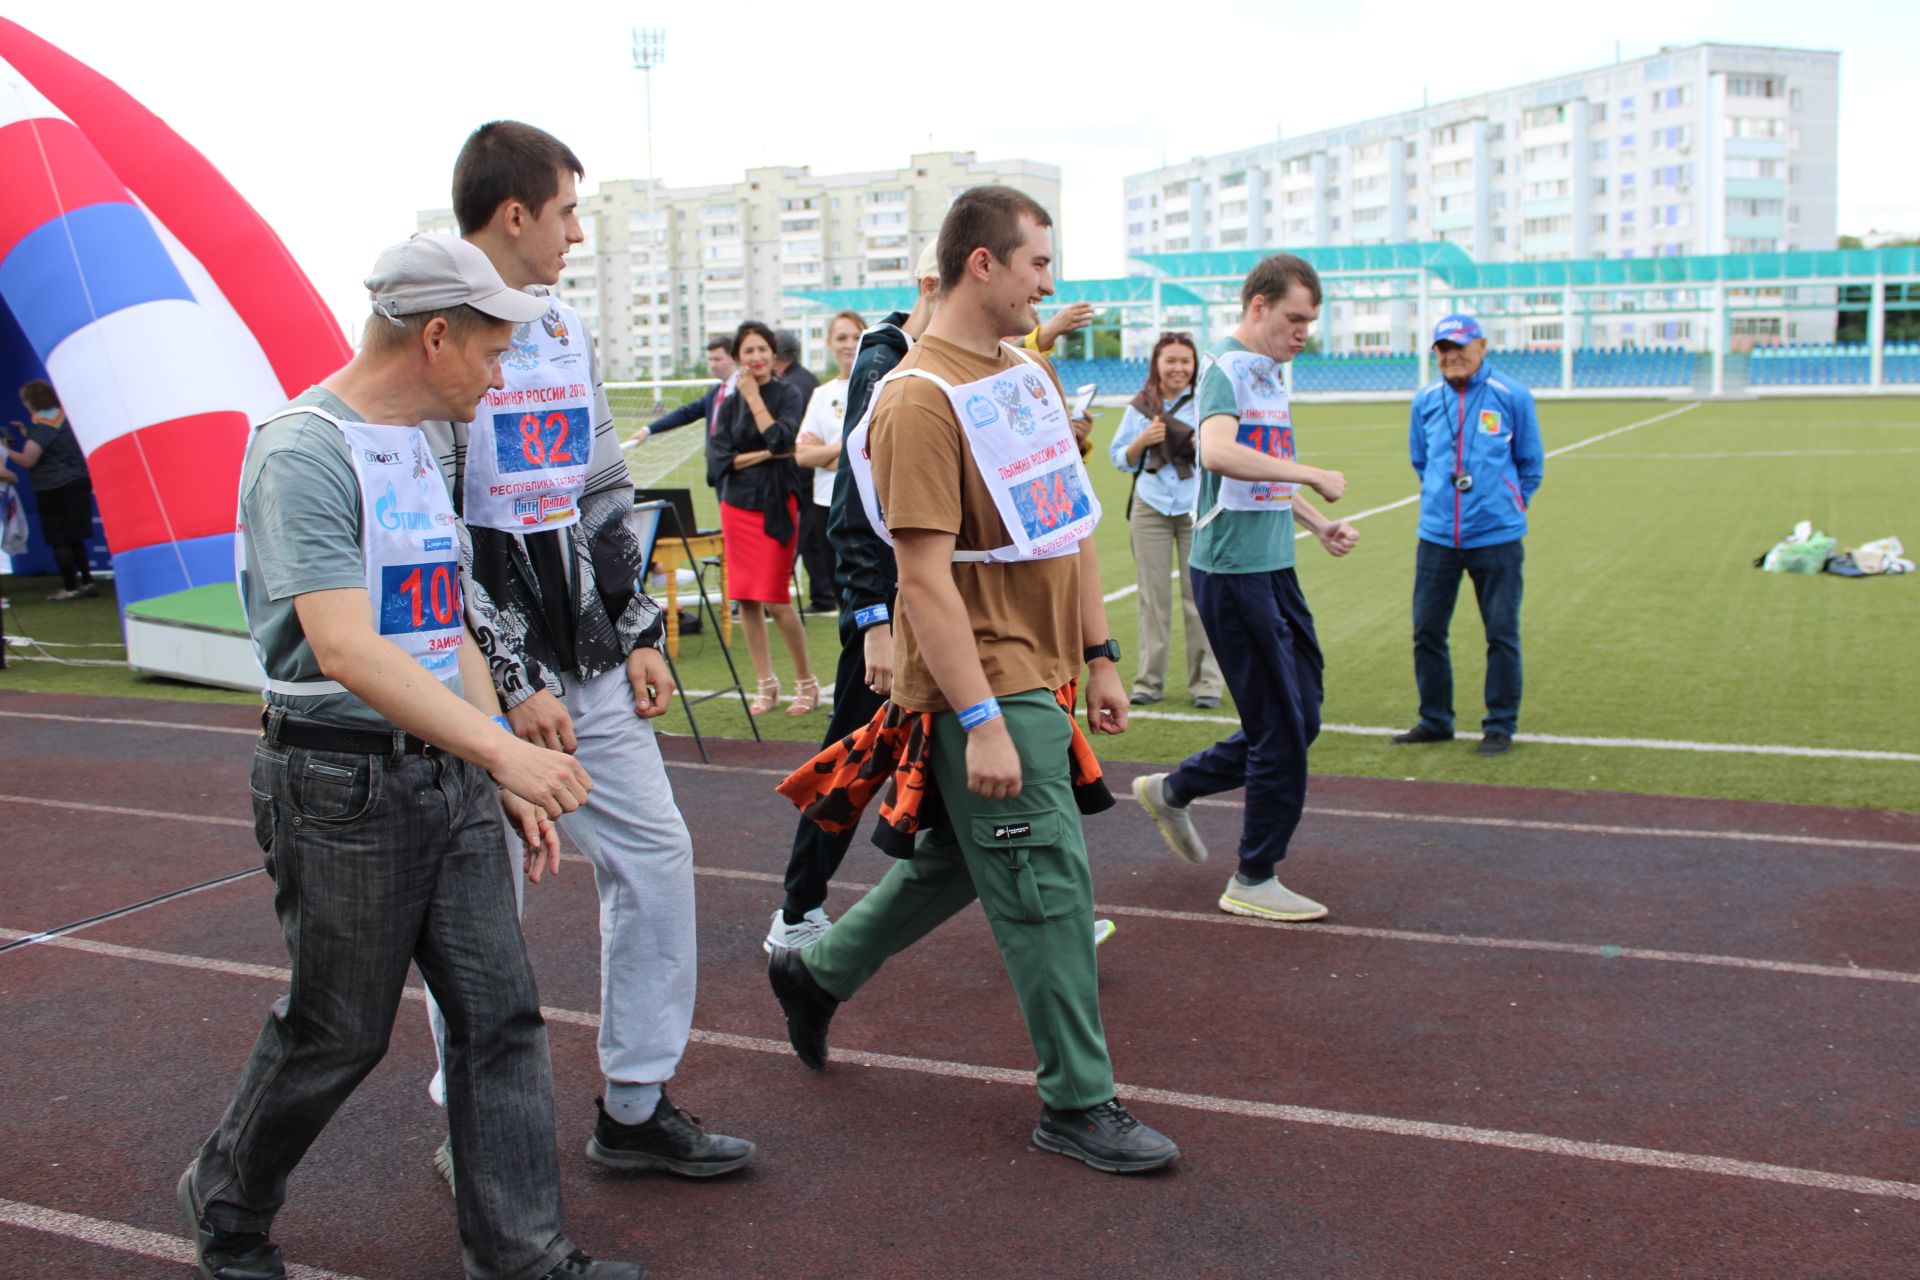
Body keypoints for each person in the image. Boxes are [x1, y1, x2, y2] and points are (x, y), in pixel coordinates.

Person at [181, 232, 646, 1280]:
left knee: (500, 1018)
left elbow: (447, 629)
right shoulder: (304, 448)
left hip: (444, 771)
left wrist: (490, 765)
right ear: (435, 336)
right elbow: (343, 643)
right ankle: (225, 1197)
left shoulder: (413, 445)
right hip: (341, 783)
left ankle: (523, 1255)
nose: (501, 372)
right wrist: (501, 750)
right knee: (337, 1029)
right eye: (490, 350)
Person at [766, 186, 1177, 1173]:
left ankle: (817, 975)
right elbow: (921, 574)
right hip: (983, 675)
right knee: (1045, 877)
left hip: (1041, 665)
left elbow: (1067, 522)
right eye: (1039, 263)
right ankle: (1078, 1101)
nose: (1052, 283)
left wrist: (1100, 650)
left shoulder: (1024, 378)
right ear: (982, 265)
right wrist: (984, 716)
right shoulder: (915, 397)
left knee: (961, 858)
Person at [418, 120, 753, 1189]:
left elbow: (603, 489)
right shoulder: (427, 324)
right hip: (476, 677)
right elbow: (428, 528)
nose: (575, 232)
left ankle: (637, 1101)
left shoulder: (560, 328)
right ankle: (470, 1122)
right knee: (486, 897)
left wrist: (642, 630)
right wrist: (509, 687)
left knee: (654, 857)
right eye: (567, 211)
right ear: (513, 214)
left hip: (594, 658)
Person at [766, 250, 1118, 955]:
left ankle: (1041, 908)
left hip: (969, 610)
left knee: (958, 800)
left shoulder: (989, 360)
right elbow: (860, 516)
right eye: (1033, 267)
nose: (1044, 288)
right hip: (907, 608)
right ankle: (799, 909)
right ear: (948, 281)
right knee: (859, 759)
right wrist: (872, 622)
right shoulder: (893, 370)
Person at [1131, 254, 1358, 923]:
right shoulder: (1228, 370)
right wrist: (1314, 473)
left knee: (1301, 716)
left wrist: (1316, 524)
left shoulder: (1270, 375)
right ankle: (1254, 876)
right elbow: (1218, 452)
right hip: (1233, 576)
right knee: (1281, 730)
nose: (1303, 332)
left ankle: (1175, 788)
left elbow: (1257, 478)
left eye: (1310, 321)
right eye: (1294, 318)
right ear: (1257, 306)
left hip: (1274, 567)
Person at [1393, 314, 1544, 756]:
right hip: (1438, 536)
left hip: (1496, 537)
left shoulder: (1511, 395)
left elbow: (1530, 462)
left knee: (1501, 633)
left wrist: (1509, 503)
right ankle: (1435, 719)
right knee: (1427, 631)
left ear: (1481, 346)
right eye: (1442, 348)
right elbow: (1421, 460)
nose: (1451, 355)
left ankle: (1499, 725)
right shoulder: (1425, 399)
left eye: (1459, 346)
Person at [1107, 332, 1223, 709]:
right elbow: (1119, 457)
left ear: (1195, 367)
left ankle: (1207, 684)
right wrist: (1143, 439)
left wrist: (1198, 445)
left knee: (1200, 598)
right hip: (1150, 506)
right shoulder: (1141, 406)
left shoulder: (1207, 404)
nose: (1178, 368)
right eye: (1170, 360)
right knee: (1152, 599)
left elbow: (1224, 453)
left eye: (1185, 361)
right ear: (1156, 363)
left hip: (1195, 509)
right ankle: (1149, 682)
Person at [708, 319, 817, 713]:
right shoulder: (728, 400)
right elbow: (716, 461)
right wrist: (760, 456)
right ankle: (765, 683)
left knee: (775, 599)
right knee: (746, 601)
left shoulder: (787, 392)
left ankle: (806, 681)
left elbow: (781, 441)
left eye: (762, 349)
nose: (755, 357)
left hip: (775, 505)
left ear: (774, 354)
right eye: (748, 351)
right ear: (739, 357)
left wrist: (755, 398)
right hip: (735, 506)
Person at [789, 311, 863, 620]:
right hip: (826, 504)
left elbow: (876, 447)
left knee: (873, 598)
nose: (849, 345)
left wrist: (833, 456)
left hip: (867, 505)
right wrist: (846, 449)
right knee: (841, 598)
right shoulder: (822, 395)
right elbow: (803, 455)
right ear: (830, 343)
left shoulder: (880, 385)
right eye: (842, 338)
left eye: (856, 337)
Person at [5, 381, 97, 600]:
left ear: (32, 401)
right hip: (78, 481)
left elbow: (28, 459)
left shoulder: (43, 426)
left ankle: (70, 587)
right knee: (75, 537)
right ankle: (86, 581)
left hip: (54, 487)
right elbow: (54, 447)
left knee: (60, 539)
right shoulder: (64, 419)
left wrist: (5, 449)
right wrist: (28, 433)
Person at [775, 327, 832, 612]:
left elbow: (797, 435)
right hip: (813, 470)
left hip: (807, 473)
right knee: (810, 537)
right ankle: (823, 595)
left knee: (810, 537)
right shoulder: (804, 378)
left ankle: (823, 596)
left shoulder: (794, 384)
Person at [635, 335, 736, 444]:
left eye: (717, 359)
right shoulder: (715, 391)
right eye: (710, 360)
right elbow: (686, 413)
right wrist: (648, 430)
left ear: (734, 358)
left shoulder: (747, 390)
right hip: (718, 459)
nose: (713, 365)